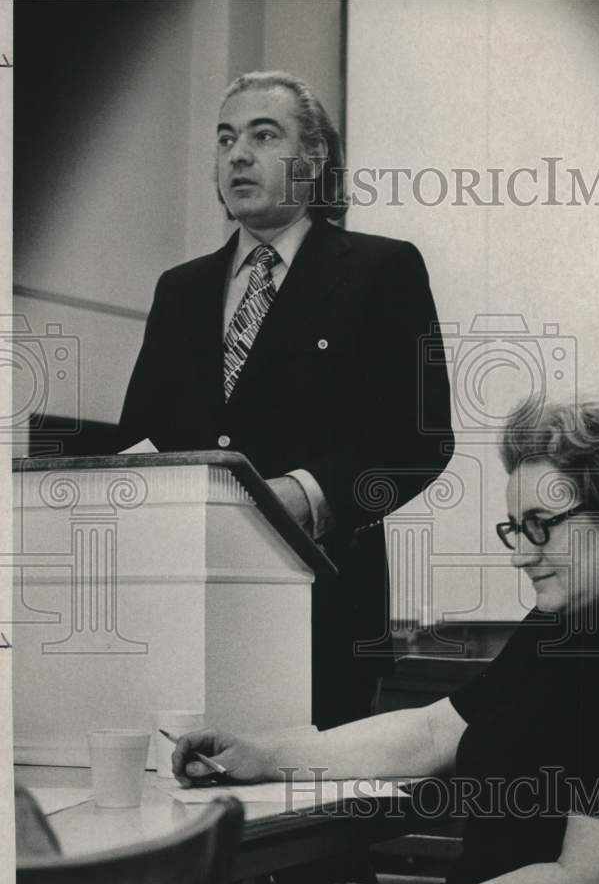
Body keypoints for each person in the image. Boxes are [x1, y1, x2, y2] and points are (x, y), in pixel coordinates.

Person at [172, 392, 599, 884]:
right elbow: (433, 730)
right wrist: (262, 754)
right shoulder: (581, 617)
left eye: (543, 528)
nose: (522, 555)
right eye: (516, 530)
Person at [119, 70, 453, 730]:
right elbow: (140, 441)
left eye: (262, 135)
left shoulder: (381, 270)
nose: (236, 155)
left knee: (308, 822)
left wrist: (307, 493)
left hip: (320, 619)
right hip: (181, 622)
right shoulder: (179, 290)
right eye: (224, 139)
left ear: (314, 158)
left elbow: (419, 440)